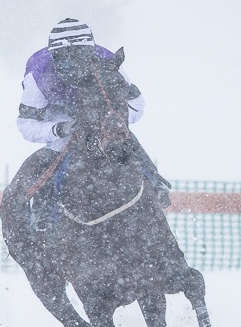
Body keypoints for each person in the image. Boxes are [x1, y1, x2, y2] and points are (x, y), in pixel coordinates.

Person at [12, 18, 169, 231]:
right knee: (55, 152)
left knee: (122, 140)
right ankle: (44, 215)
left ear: (91, 53)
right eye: (67, 61)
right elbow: (26, 124)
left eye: (81, 58)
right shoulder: (39, 74)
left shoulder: (108, 63)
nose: (75, 67)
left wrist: (112, 120)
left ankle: (153, 183)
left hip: (100, 117)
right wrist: (59, 129)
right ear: (55, 57)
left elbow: (136, 105)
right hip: (60, 118)